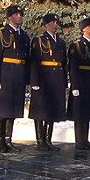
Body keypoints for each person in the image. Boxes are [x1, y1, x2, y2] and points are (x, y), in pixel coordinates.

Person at [0, 4, 31, 152]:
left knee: (13, 109)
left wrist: (27, 80)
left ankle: (8, 139)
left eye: (21, 14)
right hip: (5, 74)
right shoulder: (0, 33)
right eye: (17, 14)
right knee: (2, 109)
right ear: (9, 17)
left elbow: (27, 58)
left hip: (18, 75)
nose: (20, 16)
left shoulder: (24, 36)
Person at [29, 13, 67, 151]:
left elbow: (64, 63)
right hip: (43, 77)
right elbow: (34, 62)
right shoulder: (38, 40)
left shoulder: (61, 42)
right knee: (40, 110)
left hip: (56, 77)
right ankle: (40, 140)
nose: (55, 25)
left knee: (52, 109)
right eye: (52, 22)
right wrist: (34, 81)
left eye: (56, 22)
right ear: (46, 25)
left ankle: (48, 139)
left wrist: (65, 79)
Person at [67, 17, 90, 150]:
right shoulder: (76, 45)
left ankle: (85, 140)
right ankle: (79, 141)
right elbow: (73, 67)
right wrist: (75, 85)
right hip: (82, 81)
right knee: (79, 113)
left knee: (88, 112)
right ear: (83, 29)